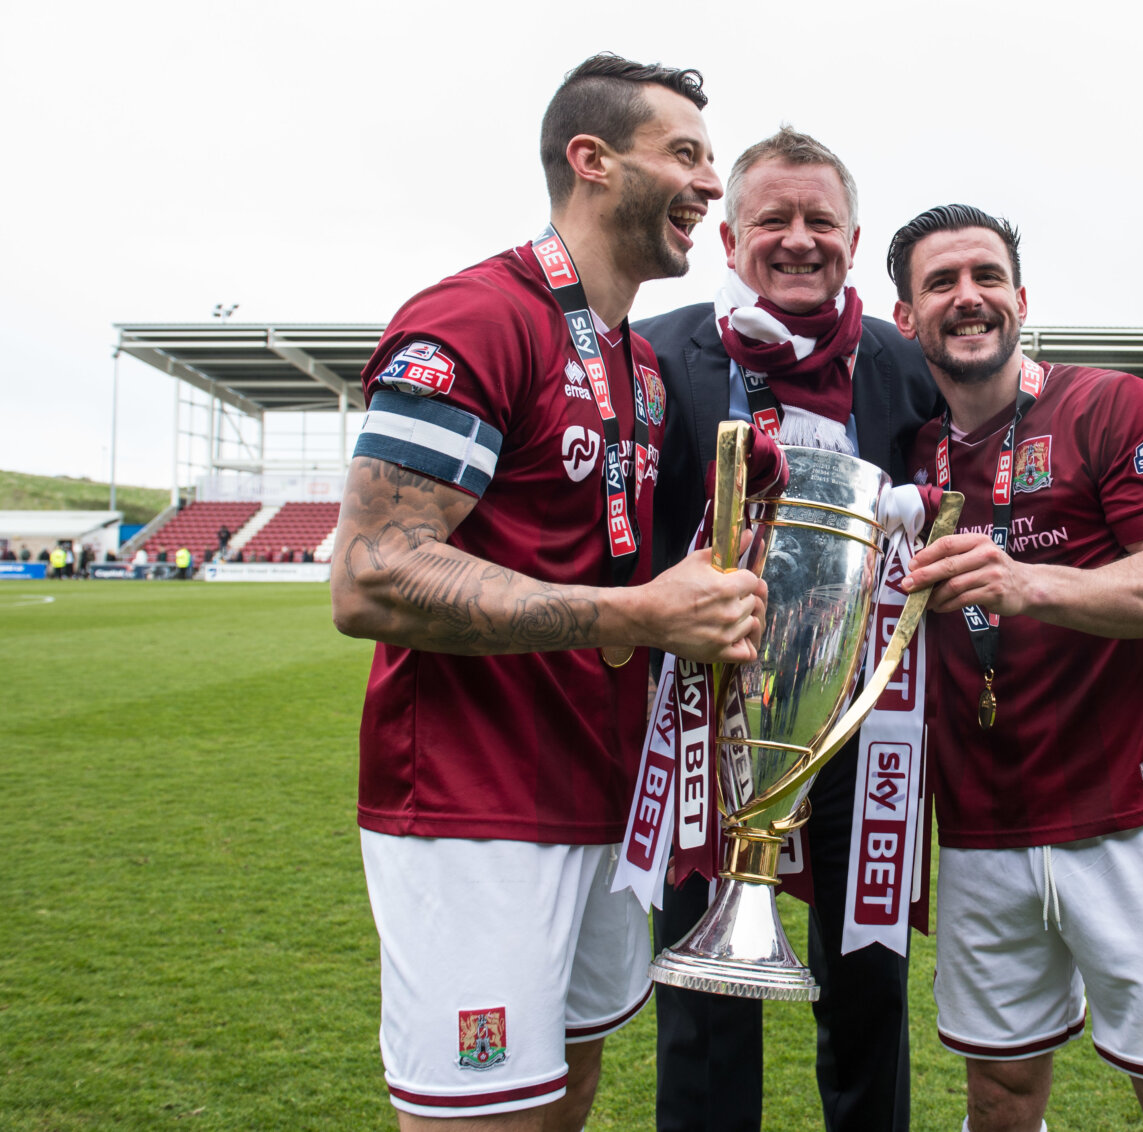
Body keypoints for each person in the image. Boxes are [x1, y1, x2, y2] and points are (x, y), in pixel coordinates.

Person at [329, 54, 766, 1132]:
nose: (711, 184)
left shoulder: (639, 367)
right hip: (475, 806)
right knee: (485, 1118)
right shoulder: (477, 317)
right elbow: (371, 574)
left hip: (600, 797)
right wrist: (639, 615)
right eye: (685, 154)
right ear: (592, 160)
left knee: (565, 1091)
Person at [890, 205, 1143, 1132]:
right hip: (980, 830)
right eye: (941, 283)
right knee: (1000, 1094)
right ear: (906, 317)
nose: (968, 297)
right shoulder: (914, 457)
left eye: (987, 276)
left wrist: (1025, 583)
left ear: (1022, 298)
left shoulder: (1112, 407)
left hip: (1131, 819)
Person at [635, 126, 939, 1132]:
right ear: (730, 239)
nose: (799, 239)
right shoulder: (661, 351)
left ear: (852, 241)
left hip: (861, 722)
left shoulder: (903, 363)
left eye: (821, 221)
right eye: (773, 219)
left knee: (869, 986)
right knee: (703, 992)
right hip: (703, 723)